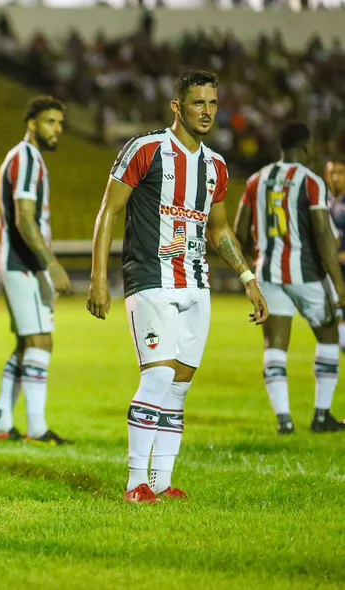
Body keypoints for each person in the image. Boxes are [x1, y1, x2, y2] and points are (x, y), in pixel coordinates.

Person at [86, 70, 269, 504]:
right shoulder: (146, 149)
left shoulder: (215, 166)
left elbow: (220, 229)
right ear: (177, 106)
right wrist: (98, 278)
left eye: (212, 104)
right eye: (197, 103)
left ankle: (163, 483)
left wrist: (248, 279)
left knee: (179, 386)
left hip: (196, 284)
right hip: (150, 278)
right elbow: (108, 212)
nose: (206, 112)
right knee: (158, 376)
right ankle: (135, 485)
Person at [234, 122, 345, 435]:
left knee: (275, 345)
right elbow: (323, 233)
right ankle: (321, 416)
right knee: (328, 337)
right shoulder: (311, 181)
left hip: (267, 273)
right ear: (307, 147)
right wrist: (339, 284)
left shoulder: (257, 180)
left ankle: (284, 421)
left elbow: (240, 232)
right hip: (305, 273)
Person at [0, 95, 72, 445]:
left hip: (20, 262)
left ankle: (2, 423)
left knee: (27, 344)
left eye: (61, 124)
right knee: (41, 342)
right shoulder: (25, 158)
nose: (58, 130)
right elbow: (24, 218)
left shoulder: (26, 158)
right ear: (32, 122)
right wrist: (50, 263)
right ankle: (36, 429)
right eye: (51, 122)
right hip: (23, 263)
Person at [325, 156, 345, 351]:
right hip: (330, 270)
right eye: (333, 173)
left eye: (340, 172)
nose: (336, 177)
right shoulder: (323, 203)